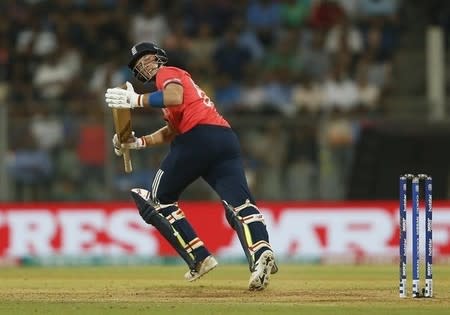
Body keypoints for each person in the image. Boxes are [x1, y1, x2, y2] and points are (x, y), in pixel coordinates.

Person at [104, 42, 278, 290]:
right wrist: (137, 141)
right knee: (240, 204)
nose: (143, 65)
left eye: (147, 58)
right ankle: (262, 252)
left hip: (199, 138)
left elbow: (174, 97)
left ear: (159, 58)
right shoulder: (168, 91)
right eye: (138, 64)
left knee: (156, 200)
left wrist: (135, 99)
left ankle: (199, 258)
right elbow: (172, 130)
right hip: (224, 139)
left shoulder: (169, 73)